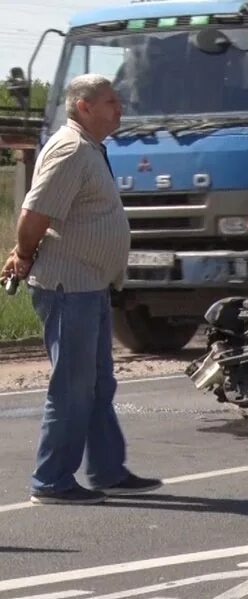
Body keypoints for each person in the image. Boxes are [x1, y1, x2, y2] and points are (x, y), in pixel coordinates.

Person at [2, 74, 162, 505]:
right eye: (110, 102)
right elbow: (34, 213)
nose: (119, 109)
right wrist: (23, 253)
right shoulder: (71, 149)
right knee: (72, 388)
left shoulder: (89, 148)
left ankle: (107, 471)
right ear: (84, 107)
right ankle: (51, 481)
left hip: (90, 285)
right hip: (67, 287)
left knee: (97, 384)